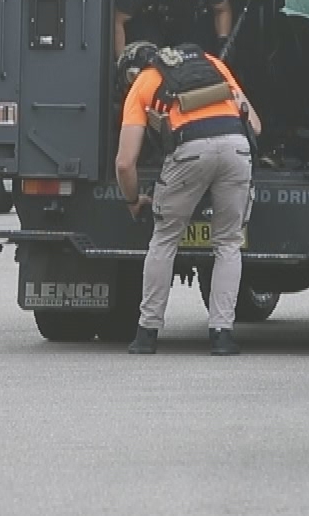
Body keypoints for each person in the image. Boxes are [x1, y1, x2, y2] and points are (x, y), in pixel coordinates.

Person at [112, 40, 262, 357]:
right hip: (236, 147)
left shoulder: (143, 82)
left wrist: (132, 199)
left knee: (165, 239)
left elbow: (125, 162)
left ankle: (147, 334)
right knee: (228, 242)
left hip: (188, 152)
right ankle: (222, 335)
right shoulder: (212, 63)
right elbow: (256, 126)